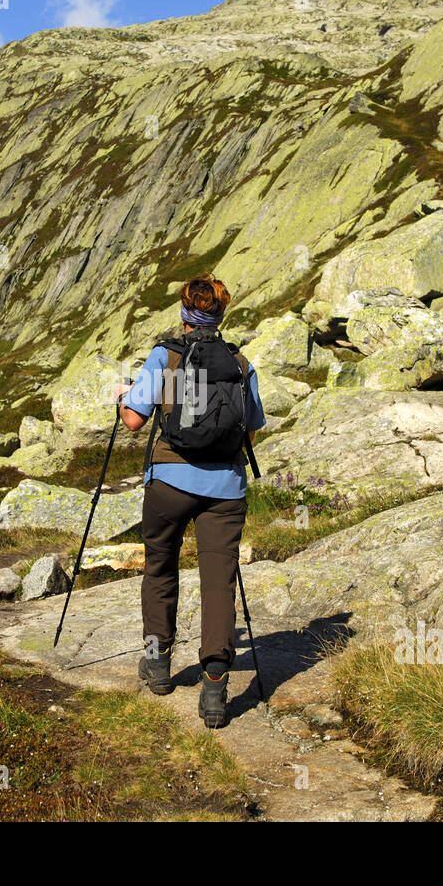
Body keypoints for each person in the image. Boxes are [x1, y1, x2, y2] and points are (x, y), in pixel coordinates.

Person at [115, 275, 265, 728]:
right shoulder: (240, 362)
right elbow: (251, 428)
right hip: (226, 490)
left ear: (184, 316)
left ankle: (157, 664)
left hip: (170, 483)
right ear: (220, 316)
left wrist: (123, 398)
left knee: (160, 565)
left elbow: (135, 422)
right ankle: (215, 691)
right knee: (218, 582)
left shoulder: (167, 356)